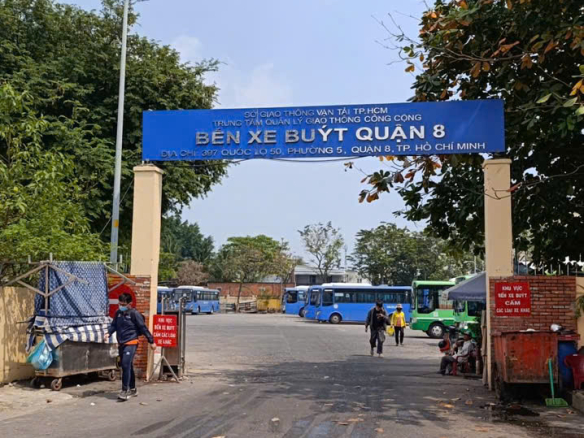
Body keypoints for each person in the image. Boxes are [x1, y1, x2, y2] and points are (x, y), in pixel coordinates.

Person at [105, 293, 156, 401]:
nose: (121, 306)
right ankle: (133, 389)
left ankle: (125, 390)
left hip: (131, 342)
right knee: (127, 366)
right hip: (121, 343)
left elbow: (143, 328)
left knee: (125, 365)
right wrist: (108, 333)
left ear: (130, 303)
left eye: (123, 304)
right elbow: (114, 325)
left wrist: (151, 341)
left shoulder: (134, 314)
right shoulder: (118, 313)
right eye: (120, 304)